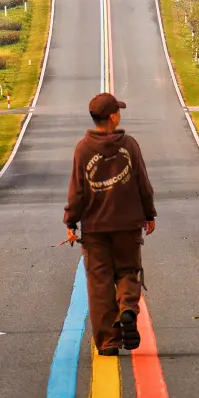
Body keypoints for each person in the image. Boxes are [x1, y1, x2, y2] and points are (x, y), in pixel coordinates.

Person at [64, 92, 156, 356]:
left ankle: (107, 342)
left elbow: (77, 192)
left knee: (100, 283)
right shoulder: (130, 145)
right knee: (128, 271)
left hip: (95, 230)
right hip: (128, 225)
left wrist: (70, 221)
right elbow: (143, 185)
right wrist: (149, 215)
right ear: (113, 116)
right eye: (118, 110)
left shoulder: (83, 148)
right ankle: (127, 309)